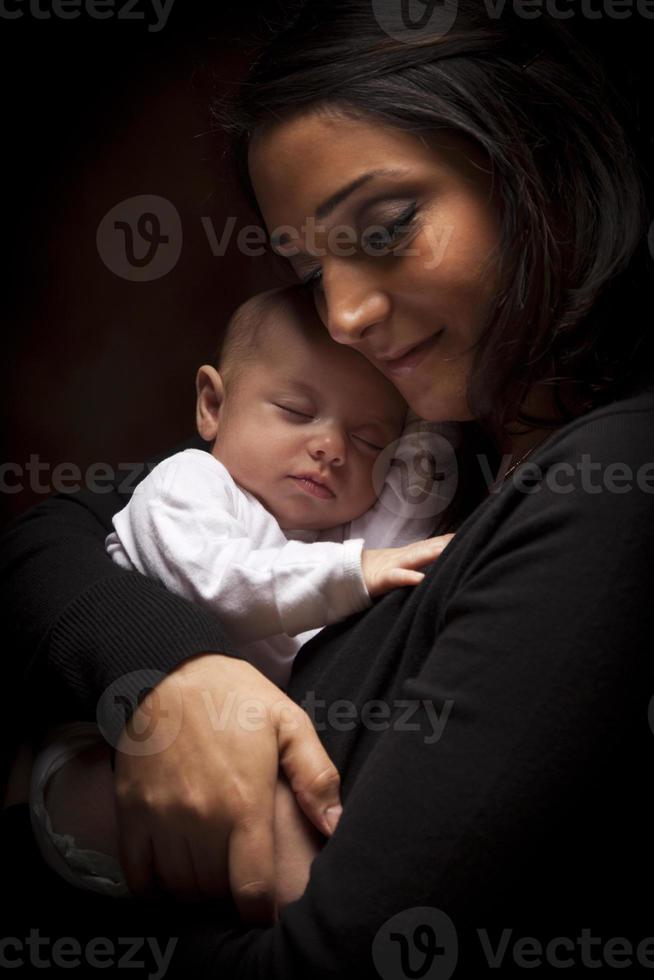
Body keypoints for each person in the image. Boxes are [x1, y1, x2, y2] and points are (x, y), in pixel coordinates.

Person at [2, 1, 654, 975]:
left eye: (386, 229)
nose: (342, 314)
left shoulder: (611, 485)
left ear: (536, 164)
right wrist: (180, 675)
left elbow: (343, 955)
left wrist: (49, 842)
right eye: (309, 266)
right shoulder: (426, 434)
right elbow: (48, 542)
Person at [26, 282, 455, 901]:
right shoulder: (187, 486)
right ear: (212, 405)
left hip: (251, 749)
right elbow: (219, 584)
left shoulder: (338, 527)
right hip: (108, 753)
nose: (330, 448)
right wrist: (355, 572)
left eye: (367, 441)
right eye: (296, 411)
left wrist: (428, 430)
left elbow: (408, 526)